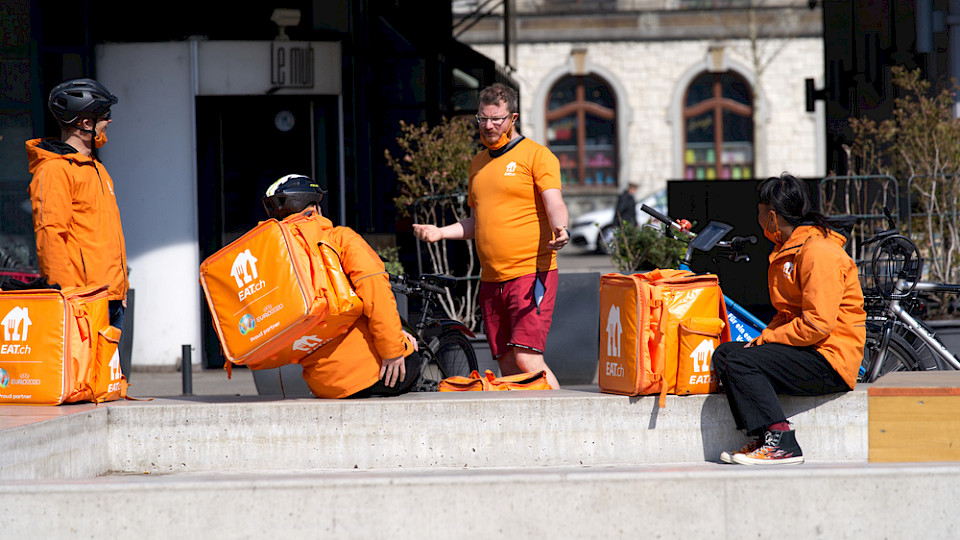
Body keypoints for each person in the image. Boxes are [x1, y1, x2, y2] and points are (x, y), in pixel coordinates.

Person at [412, 83, 569, 390]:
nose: (489, 125)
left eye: (496, 119)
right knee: (507, 362)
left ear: (513, 118)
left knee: (527, 359)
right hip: (491, 280)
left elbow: (555, 202)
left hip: (531, 273)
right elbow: (476, 222)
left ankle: (564, 423)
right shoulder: (478, 163)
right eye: (482, 118)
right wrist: (439, 232)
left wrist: (561, 227)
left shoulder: (537, 155)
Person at [713, 173, 866, 465]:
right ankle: (761, 437)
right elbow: (788, 313)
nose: (757, 219)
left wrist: (767, 338)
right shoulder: (789, 249)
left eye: (759, 212)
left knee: (741, 360)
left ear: (771, 216)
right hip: (808, 350)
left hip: (829, 359)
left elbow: (818, 325)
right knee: (726, 354)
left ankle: (783, 442)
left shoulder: (818, 252)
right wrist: (763, 338)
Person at [262, 174, 420, 398]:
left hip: (322, 384)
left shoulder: (275, 258)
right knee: (412, 355)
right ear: (315, 208)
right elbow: (376, 293)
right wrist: (394, 350)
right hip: (372, 374)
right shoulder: (340, 238)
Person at [26, 78, 128, 331]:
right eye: (104, 115)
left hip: (112, 299)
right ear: (85, 124)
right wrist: (67, 294)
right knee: (84, 373)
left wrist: (121, 289)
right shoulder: (54, 170)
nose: (110, 121)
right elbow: (51, 235)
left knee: (114, 372)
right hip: (82, 301)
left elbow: (105, 233)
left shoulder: (96, 168)